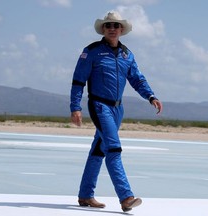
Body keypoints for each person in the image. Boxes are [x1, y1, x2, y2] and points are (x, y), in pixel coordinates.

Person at [70, 11, 163, 212]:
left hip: (117, 109)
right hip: (99, 106)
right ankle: (126, 196)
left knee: (98, 150)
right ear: (103, 29)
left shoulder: (127, 55)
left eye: (116, 26)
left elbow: (137, 79)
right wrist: (75, 107)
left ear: (121, 30)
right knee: (113, 148)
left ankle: (86, 195)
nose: (112, 29)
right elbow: (78, 81)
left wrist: (151, 96)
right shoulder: (92, 51)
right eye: (108, 25)